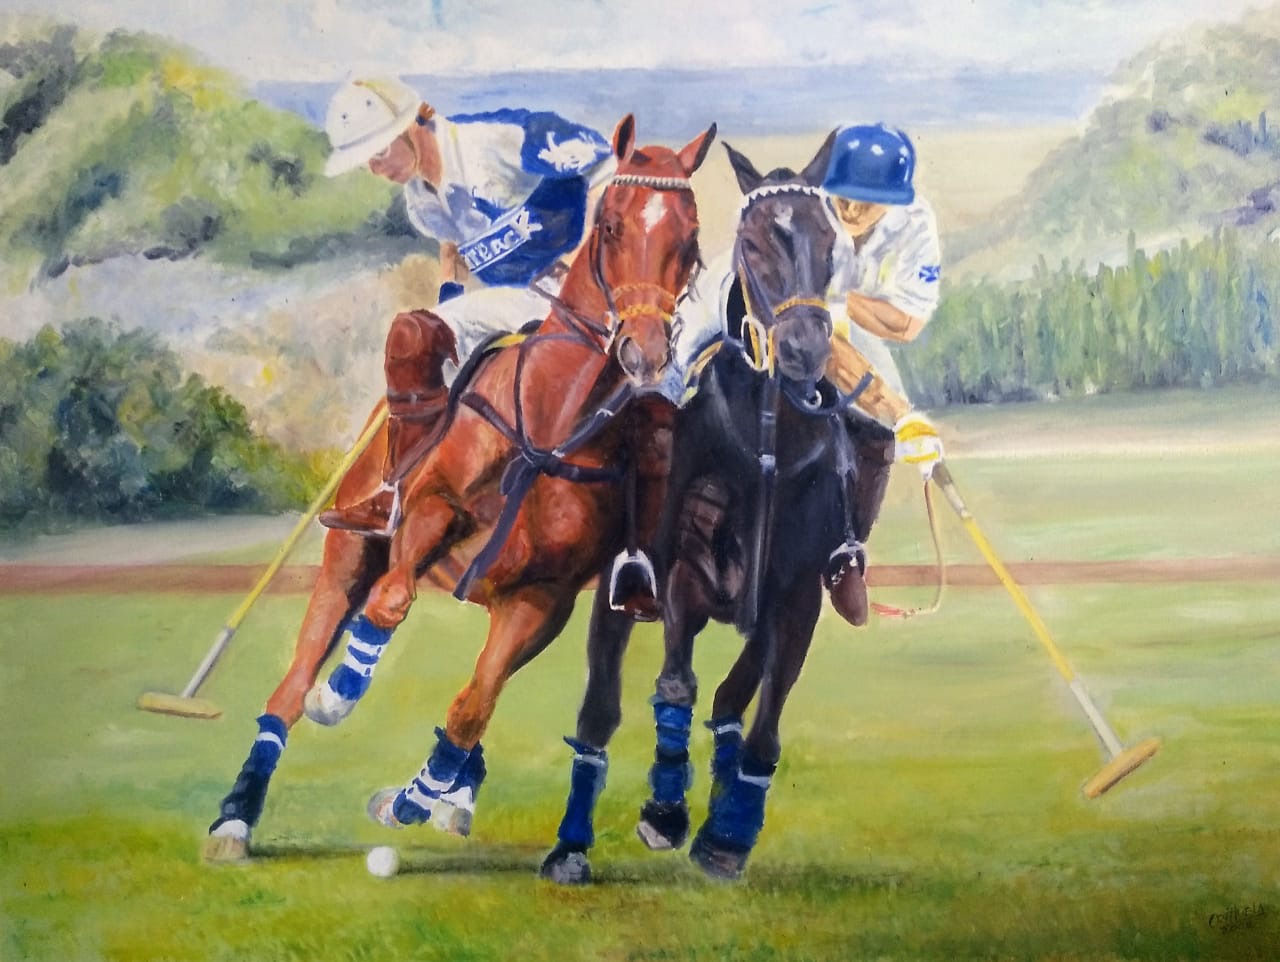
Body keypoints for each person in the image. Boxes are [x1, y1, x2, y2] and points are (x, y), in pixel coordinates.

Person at [316, 76, 617, 536]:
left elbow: (603, 161)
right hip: (520, 303)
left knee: (416, 334)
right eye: (366, 161)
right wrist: (444, 324)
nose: (375, 169)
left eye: (378, 151)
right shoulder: (420, 201)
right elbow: (452, 251)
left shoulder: (491, 141)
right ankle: (398, 495)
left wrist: (586, 258)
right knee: (420, 341)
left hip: (585, 298)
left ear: (410, 126)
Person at [818, 123, 944, 627]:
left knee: (879, 433)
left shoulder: (915, 224)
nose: (849, 211)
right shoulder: (808, 208)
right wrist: (900, 409)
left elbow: (906, 323)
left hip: (838, 316)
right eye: (843, 197)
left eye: (865, 202)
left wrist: (836, 296)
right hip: (761, 316)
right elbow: (819, 344)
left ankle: (846, 553)